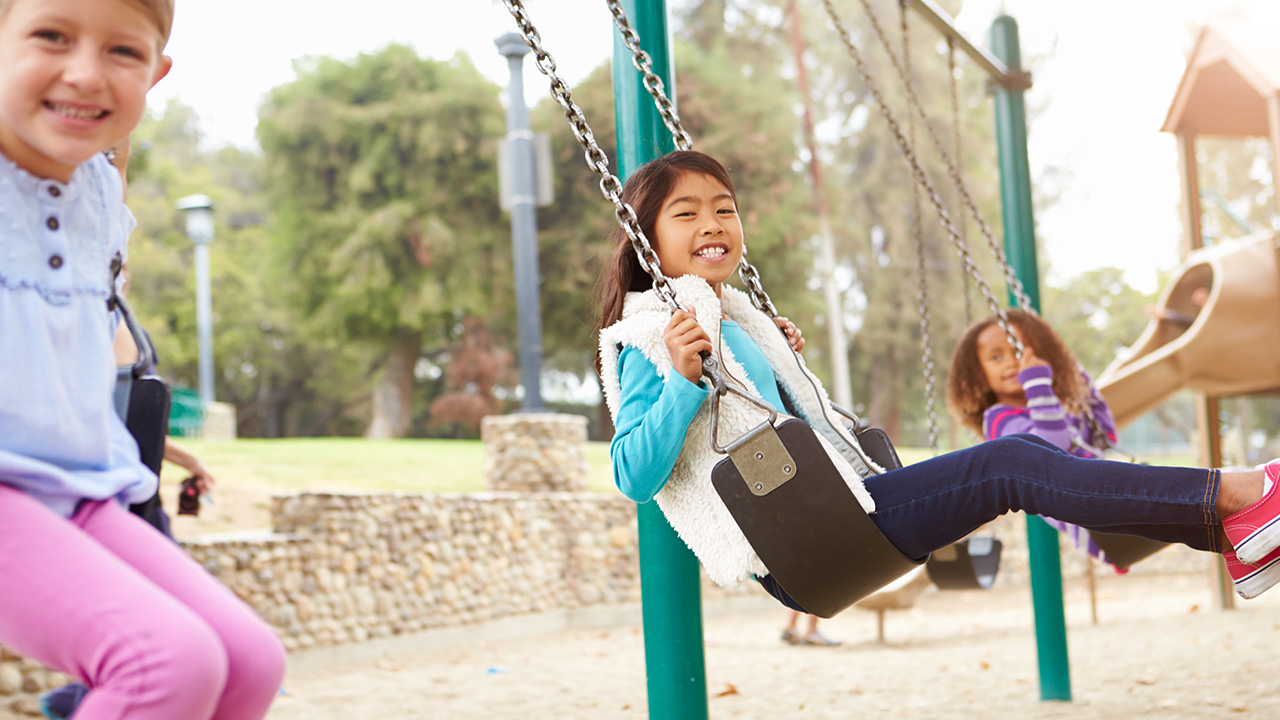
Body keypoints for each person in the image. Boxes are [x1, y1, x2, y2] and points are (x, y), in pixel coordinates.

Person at [596, 150, 1280, 609]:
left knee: (1034, 460)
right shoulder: (649, 337)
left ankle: (1240, 532)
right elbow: (632, 473)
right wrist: (684, 380)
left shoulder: (730, 314)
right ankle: (1246, 491)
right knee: (1011, 462)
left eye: (725, 207)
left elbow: (768, 408)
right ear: (645, 232)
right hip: (805, 541)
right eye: (686, 213)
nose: (714, 223)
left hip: (842, 508)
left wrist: (773, 354)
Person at [0, 1, 287, 718]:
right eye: (50, 36)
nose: (86, 72)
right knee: (165, 661)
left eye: (122, 54)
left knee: (250, 662)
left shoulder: (96, 190)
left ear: (156, 75)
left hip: (77, 490)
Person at [946, 309, 1128, 572]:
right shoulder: (998, 420)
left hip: (1109, 498)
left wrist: (1075, 374)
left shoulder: (1057, 411)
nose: (1011, 363)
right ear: (978, 374)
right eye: (996, 357)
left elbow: (1106, 435)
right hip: (1088, 518)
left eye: (1020, 352)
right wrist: (1037, 383)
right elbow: (1050, 453)